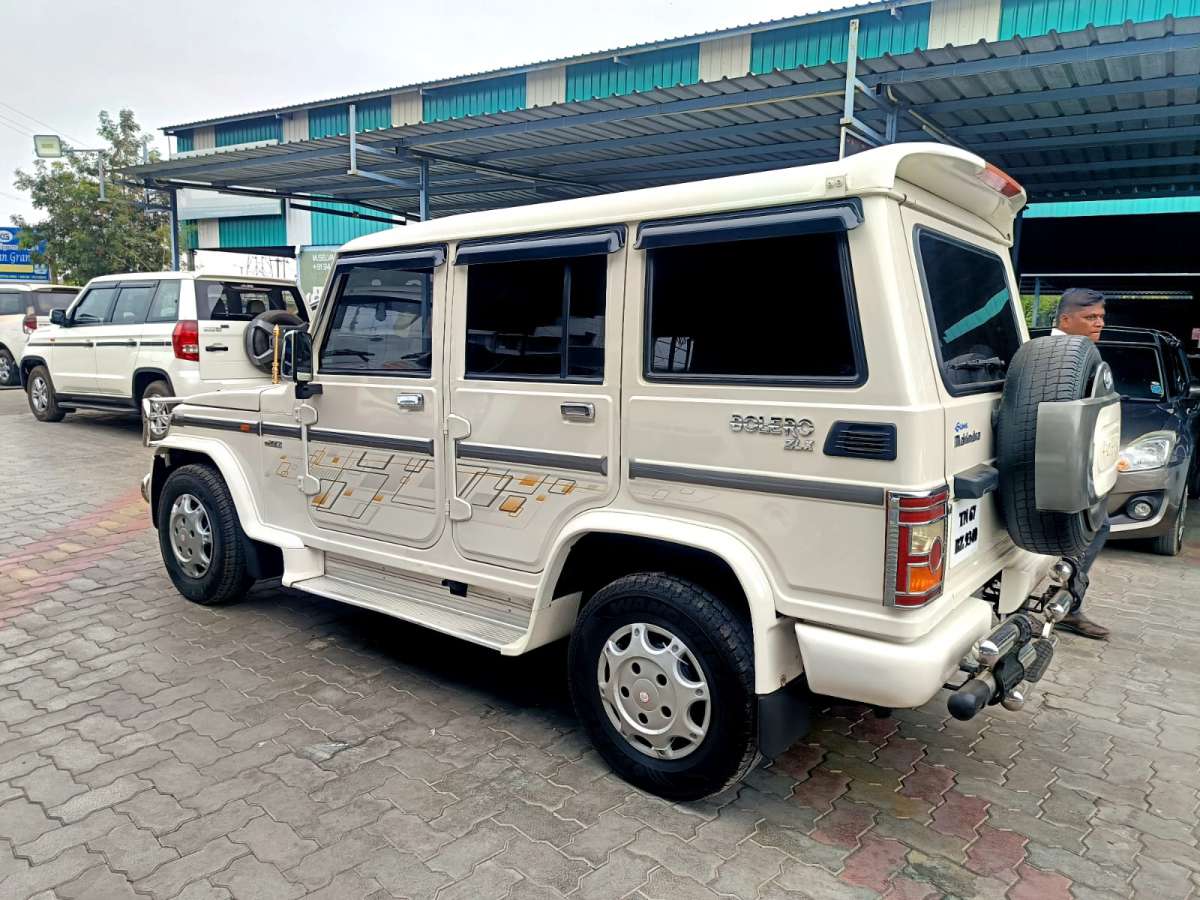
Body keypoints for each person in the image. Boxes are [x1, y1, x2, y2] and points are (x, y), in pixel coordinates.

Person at [1049, 288, 1111, 640]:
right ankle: (1067, 607)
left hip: (1069, 461)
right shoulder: (1057, 356)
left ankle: (1064, 602)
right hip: (1056, 463)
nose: (1098, 323)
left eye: (1101, 317)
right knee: (1092, 528)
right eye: (1090, 317)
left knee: (1092, 528)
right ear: (1065, 319)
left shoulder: (1080, 353)